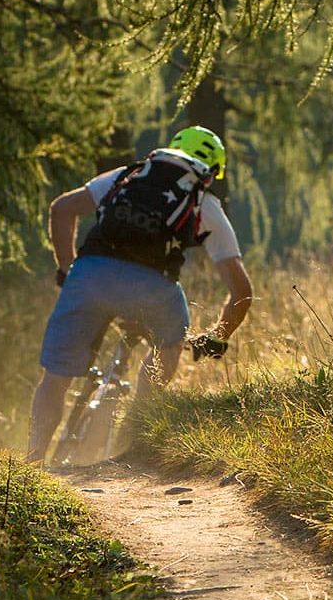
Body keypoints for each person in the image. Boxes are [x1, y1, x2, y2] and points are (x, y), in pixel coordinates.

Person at [25, 126, 254, 463]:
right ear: (212, 170)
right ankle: (134, 437)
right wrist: (218, 337)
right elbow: (241, 292)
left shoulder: (128, 175)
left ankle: (33, 461)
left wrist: (68, 270)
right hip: (153, 290)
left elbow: (62, 209)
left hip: (89, 275)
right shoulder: (204, 203)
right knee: (168, 345)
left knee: (55, 378)